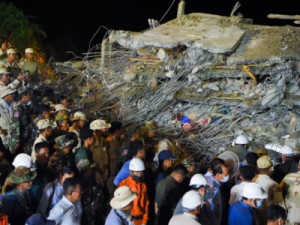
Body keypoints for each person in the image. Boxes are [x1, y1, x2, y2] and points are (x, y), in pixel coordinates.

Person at [118, 158, 149, 225]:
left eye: (141, 172)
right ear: (131, 172)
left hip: (141, 220)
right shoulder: (124, 185)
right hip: (129, 220)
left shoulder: (143, 185)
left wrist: (144, 221)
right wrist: (127, 220)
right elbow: (120, 206)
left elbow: (146, 204)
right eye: (137, 172)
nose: (140, 174)